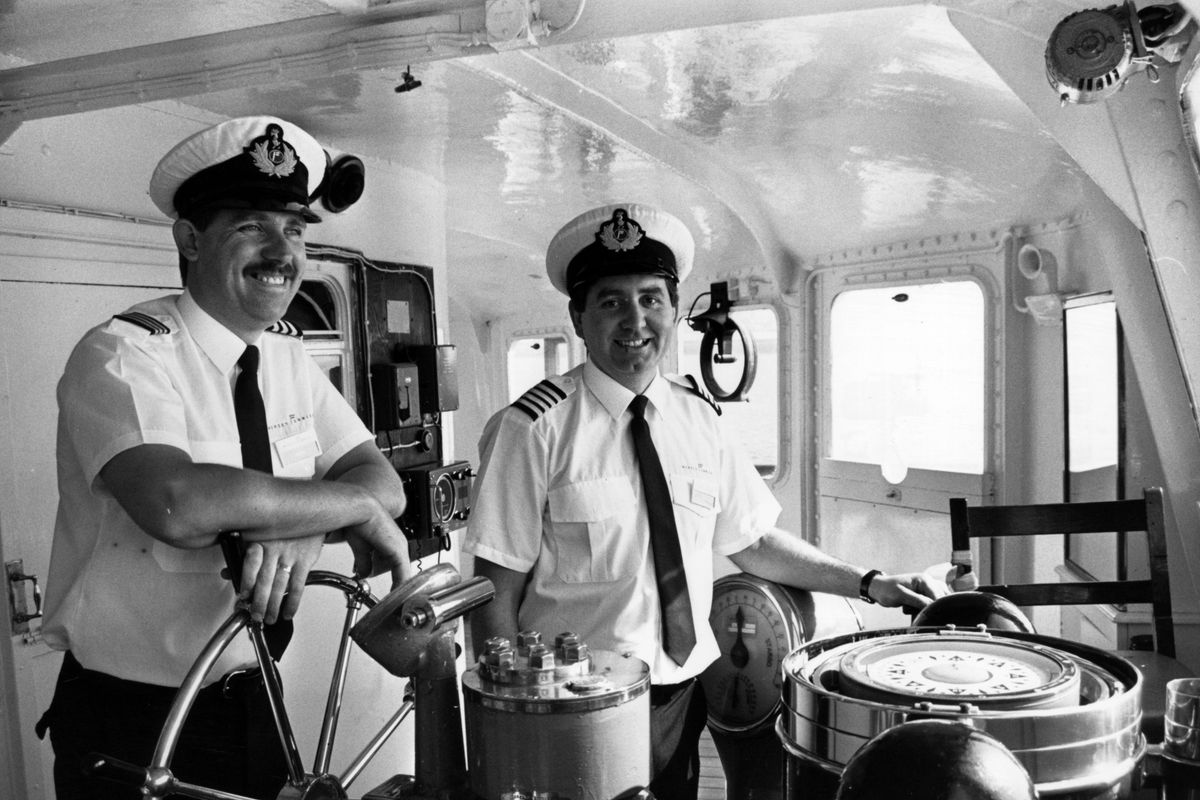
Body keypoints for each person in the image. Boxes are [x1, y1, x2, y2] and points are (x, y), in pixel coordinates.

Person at [464, 203, 942, 800]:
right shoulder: (532, 429)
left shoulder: (699, 418)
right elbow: (493, 591)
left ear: (670, 309)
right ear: (578, 318)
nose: (635, 320)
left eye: (651, 298)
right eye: (612, 301)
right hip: (575, 702)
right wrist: (514, 727)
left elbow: (754, 541)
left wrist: (870, 583)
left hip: (683, 690)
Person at [35, 116, 415, 800]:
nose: (282, 251)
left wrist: (299, 525)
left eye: (295, 230)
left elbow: (381, 483)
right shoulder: (123, 354)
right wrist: (344, 507)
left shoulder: (288, 360)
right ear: (189, 238)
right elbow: (177, 503)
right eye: (251, 226)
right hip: (132, 721)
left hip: (257, 703)